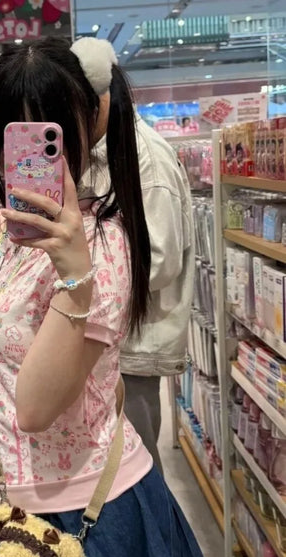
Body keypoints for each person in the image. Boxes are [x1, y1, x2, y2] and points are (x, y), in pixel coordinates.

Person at [0, 37, 211, 557]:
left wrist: (74, 275)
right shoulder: (1, 234)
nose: (25, 154)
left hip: (90, 510)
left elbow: (35, 408)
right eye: (8, 133)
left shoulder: (104, 245)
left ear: (86, 126)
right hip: (12, 505)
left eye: (47, 132)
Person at [119, 114, 195, 473]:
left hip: (131, 344)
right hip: (116, 341)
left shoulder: (143, 153)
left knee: (136, 469)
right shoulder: (117, 148)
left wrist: (80, 280)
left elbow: (160, 261)